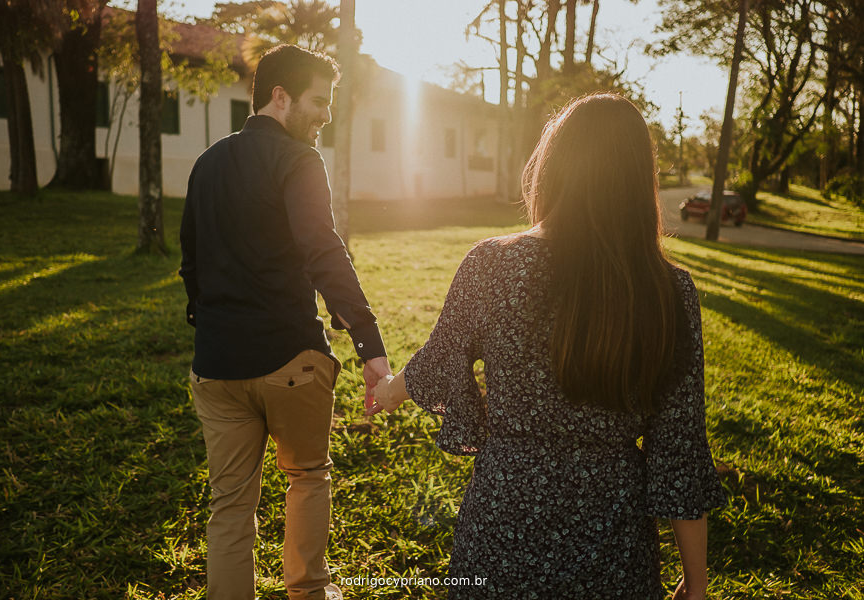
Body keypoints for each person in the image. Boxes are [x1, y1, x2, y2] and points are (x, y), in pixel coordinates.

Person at [372, 93, 726, 599]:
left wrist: (388, 390)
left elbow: (438, 359)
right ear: (636, 178)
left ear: (554, 164)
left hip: (502, 527)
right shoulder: (670, 291)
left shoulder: (490, 264)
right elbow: (679, 449)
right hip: (613, 545)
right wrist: (696, 587)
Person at [179, 44, 390, 600]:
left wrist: (213, 327)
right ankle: (308, 593)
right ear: (281, 96)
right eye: (319, 101)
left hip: (216, 368)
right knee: (307, 477)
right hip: (289, 362)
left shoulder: (207, 163)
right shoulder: (300, 160)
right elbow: (322, 250)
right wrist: (370, 344)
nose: (325, 114)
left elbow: (190, 265)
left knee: (229, 505)